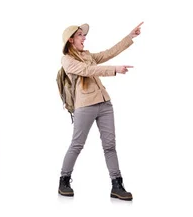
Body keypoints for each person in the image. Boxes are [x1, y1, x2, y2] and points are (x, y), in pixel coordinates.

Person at [57, 22, 143, 201]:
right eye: (80, 35)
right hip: (85, 106)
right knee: (77, 145)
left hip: (104, 104)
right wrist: (115, 70)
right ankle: (64, 180)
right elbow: (88, 71)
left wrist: (129, 37)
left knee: (110, 146)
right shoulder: (67, 60)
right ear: (71, 40)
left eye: (83, 34)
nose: (84, 37)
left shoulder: (88, 55)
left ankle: (117, 184)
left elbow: (108, 53)